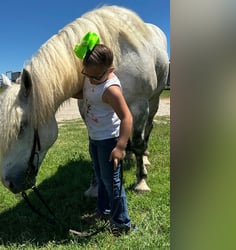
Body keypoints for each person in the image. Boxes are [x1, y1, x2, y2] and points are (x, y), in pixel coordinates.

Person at [73, 32, 134, 236]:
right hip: (95, 139)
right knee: (101, 178)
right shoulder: (93, 77)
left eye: (95, 76)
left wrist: (120, 147)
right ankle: (104, 211)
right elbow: (88, 92)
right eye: (87, 75)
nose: (90, 79)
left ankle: (122, 223)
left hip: (110, 141)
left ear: (111, 70)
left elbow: (127, 118)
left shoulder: (111, 89)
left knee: (112, 182)